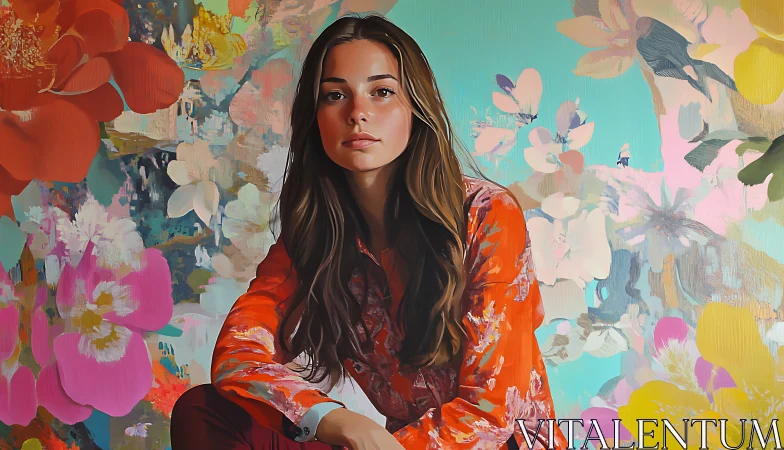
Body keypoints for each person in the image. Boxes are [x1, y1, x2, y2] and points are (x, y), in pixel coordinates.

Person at [171, 13, 568, 450]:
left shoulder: (487, 216)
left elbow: (491, 412)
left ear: (415, 108)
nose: (358, 113)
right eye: (335, 95)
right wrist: (331, 418)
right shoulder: (316, 237)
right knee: (204, 410)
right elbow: (239, 354)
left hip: (493, 446)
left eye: (381, 92)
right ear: (316, 118)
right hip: (384, 445)